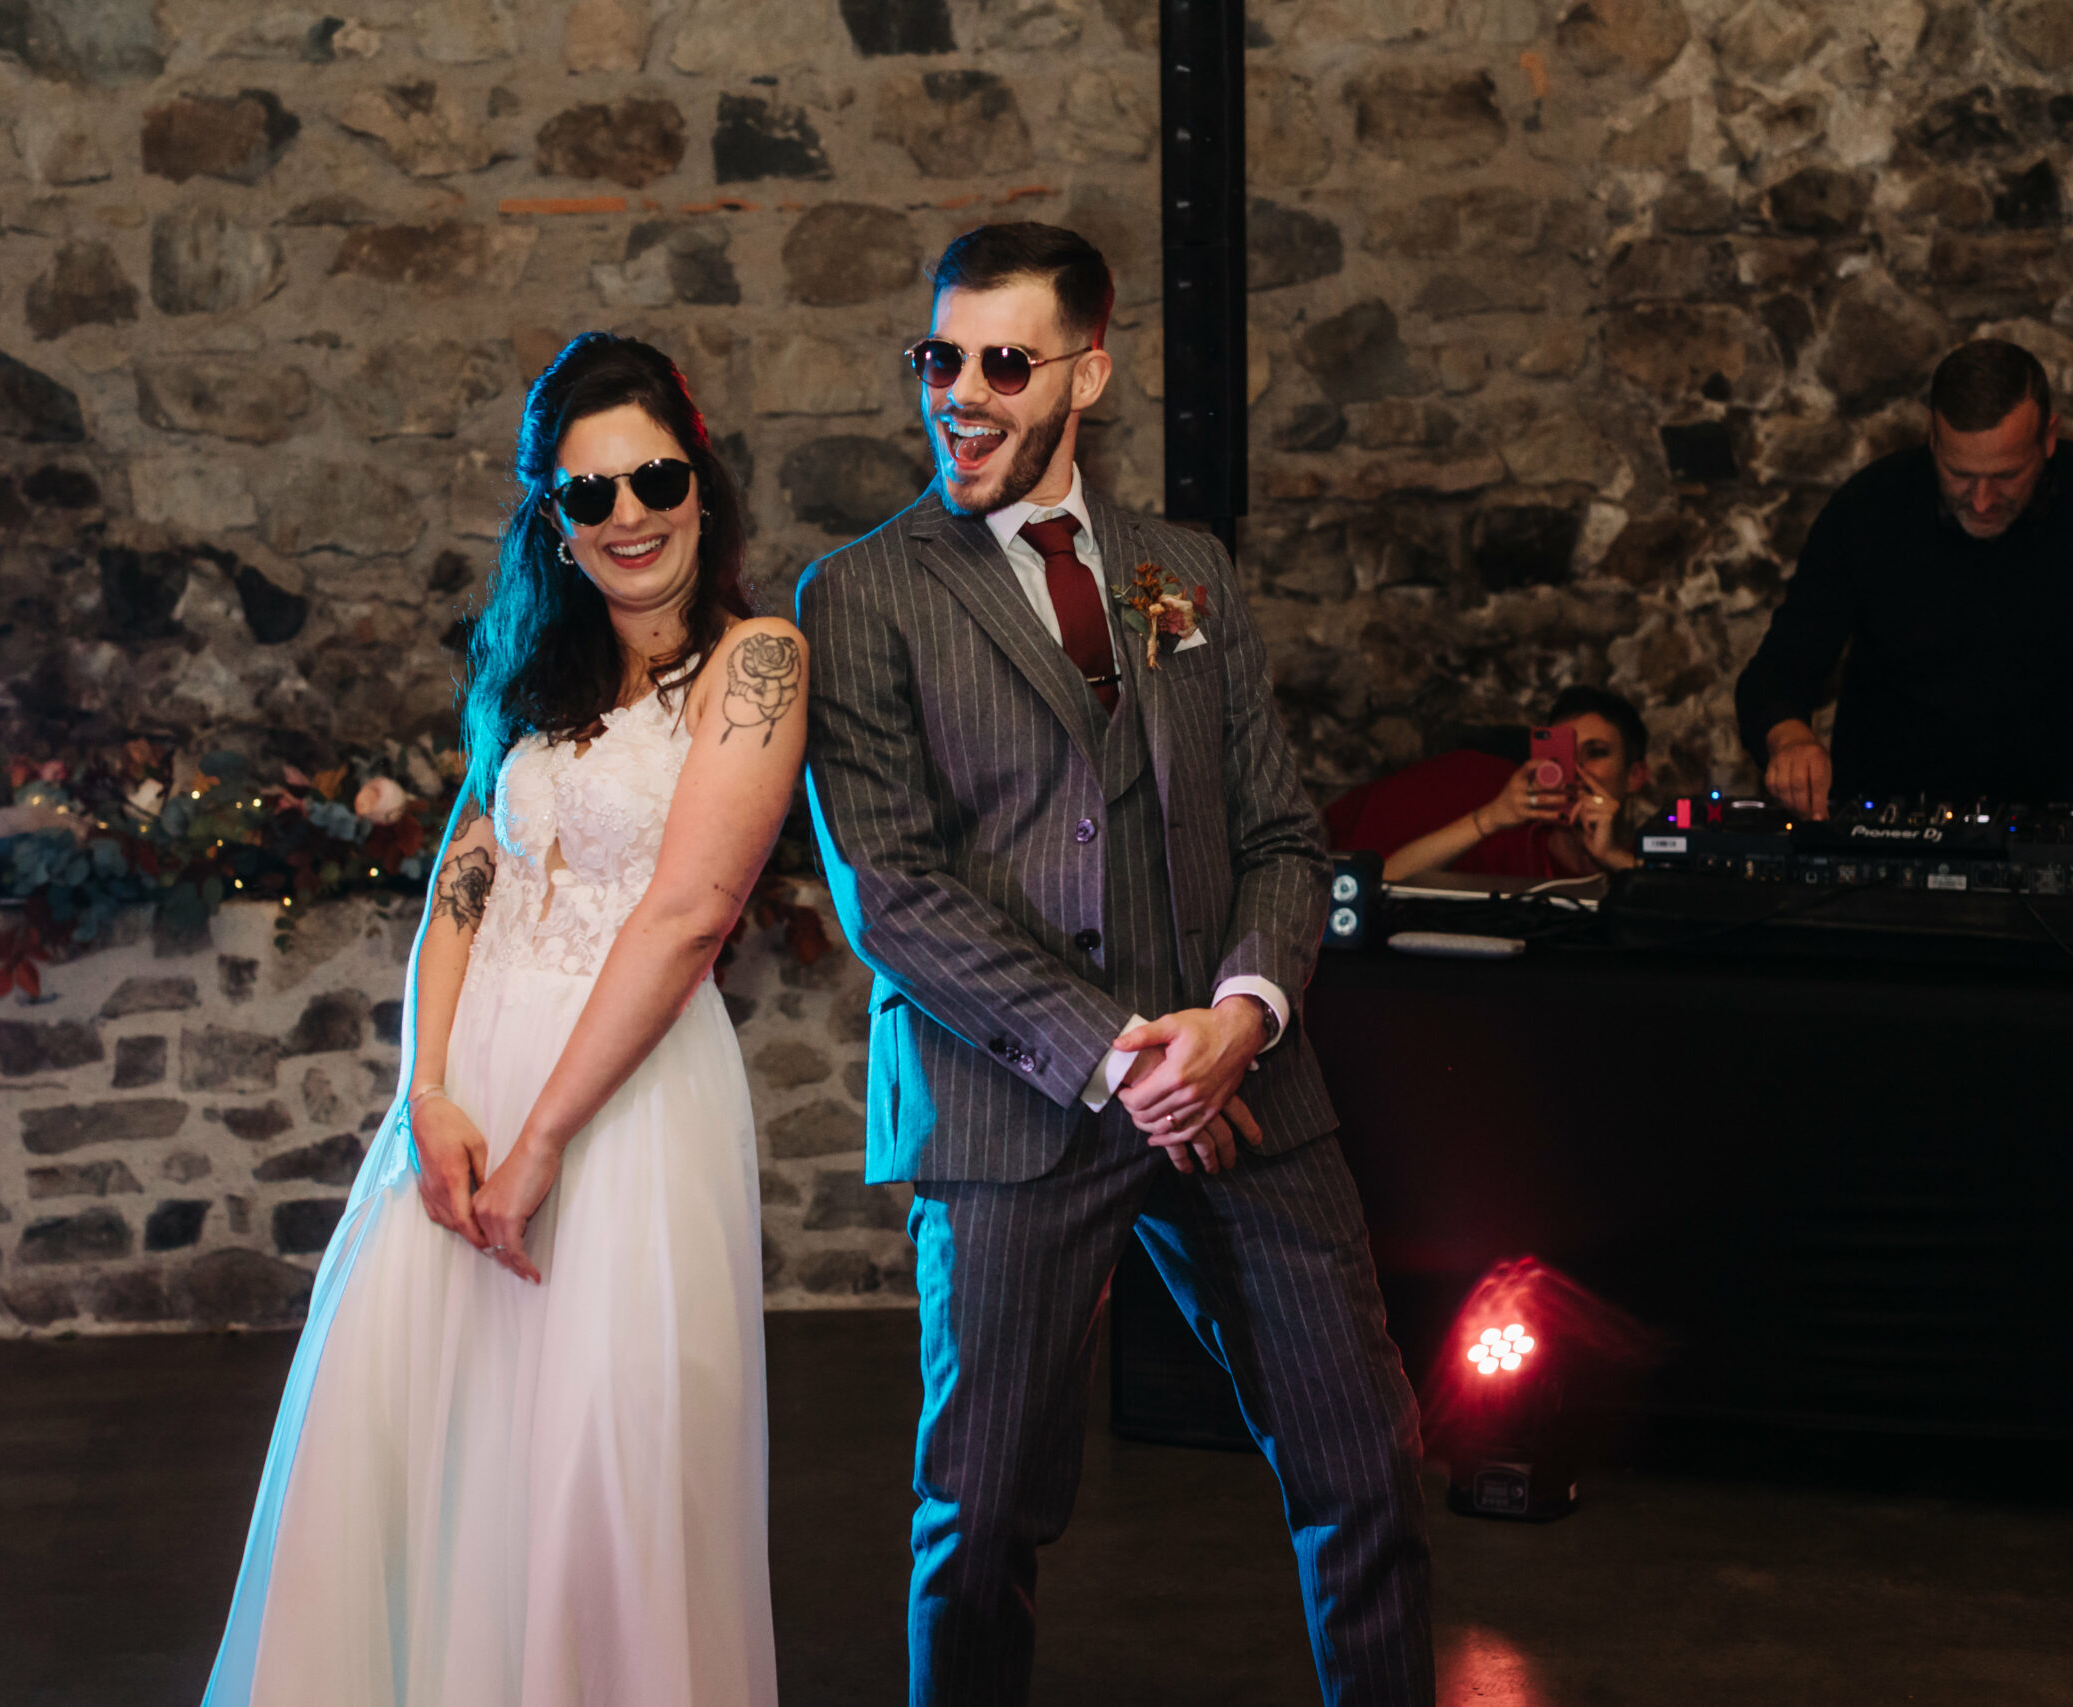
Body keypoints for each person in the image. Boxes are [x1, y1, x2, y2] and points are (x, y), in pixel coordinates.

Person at [798, 223, 1432, 1706]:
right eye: (940, 357)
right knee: (980, 1522)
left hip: (1240, 1086)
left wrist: (1240, 1014)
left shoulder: (1183, 570)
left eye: (1003, 363)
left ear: (1088, 373)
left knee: (1369, 1467)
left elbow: (1282, 836)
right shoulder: (862, 593)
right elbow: (893, 893)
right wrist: (1124, 1056)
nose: (960, 393)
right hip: (1013, 1104)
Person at [201, 333, 801, 1707]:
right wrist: (425, 1093)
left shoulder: (753, 663)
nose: (629, 514)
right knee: (416, 1444)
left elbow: (688, 914)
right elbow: (465, 881)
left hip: (628, 1105)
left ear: (701, 485)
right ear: (554, 519)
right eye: (589, 493)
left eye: (655, 478)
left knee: (604, 1462)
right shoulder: (530, 672)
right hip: (464, 1102)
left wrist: (542, 1144)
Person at [1735, 338, 2073, 818]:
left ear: (2048, 438)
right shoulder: (1867, 510)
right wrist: (1791, 741)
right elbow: (1776, 673)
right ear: (1933, 440)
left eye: (2006, 475)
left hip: (2051, 816)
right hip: (1883, 819)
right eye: (1959, 473)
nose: (1981, 500)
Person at [1322, 687, 1652, 882]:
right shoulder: (1513, 840)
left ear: (1635, 776)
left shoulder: (1640, 864)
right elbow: (1384, 879)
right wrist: (1491, 817)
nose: (1577, 769)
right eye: (1563, 754)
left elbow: (1680, 908)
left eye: (1596, 753)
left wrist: (1611, 856)